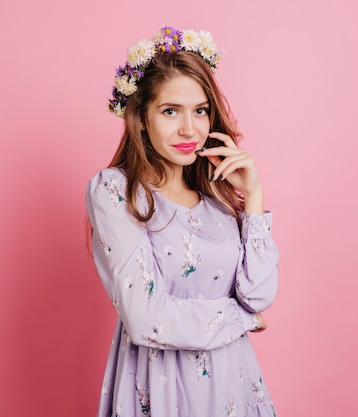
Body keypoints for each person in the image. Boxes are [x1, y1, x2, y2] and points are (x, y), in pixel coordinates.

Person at [86, 26, 279, 417]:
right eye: (171, 111)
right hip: (160, 386)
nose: (190, 129)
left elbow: (258, 296)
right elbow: (145, 319)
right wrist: (241, 318)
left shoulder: (219, 199)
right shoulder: (116, 191)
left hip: (234, 382)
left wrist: (254, 199)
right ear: (141, 117)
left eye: (200, 111)